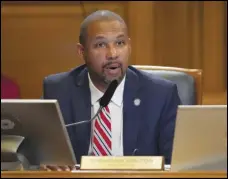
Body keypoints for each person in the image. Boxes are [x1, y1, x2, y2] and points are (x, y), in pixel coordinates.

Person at [42, 10, 181, 169]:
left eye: (120, 43)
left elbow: (175, 164)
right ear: (82, 51)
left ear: (129, 46)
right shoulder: (59, 91)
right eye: (100, 45)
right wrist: (47, 162)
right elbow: (37, 154)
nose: (113, 54)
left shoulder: (160, 95)